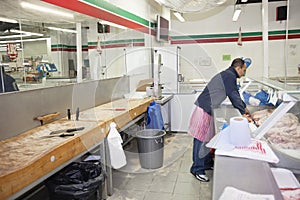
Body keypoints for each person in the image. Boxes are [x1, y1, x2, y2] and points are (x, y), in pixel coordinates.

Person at [188, 57, 252, 182]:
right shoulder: (229, 76)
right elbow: (233, 95)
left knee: (207, 138)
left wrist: (244, 108)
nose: (244, 73)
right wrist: (243, 112)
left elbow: (235, 94)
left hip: (207, 108)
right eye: (244, 70)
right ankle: (197, 169)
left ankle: (205, 164)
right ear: (238, 68)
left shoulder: (227, 74)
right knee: (201, 140)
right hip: (204, 109)